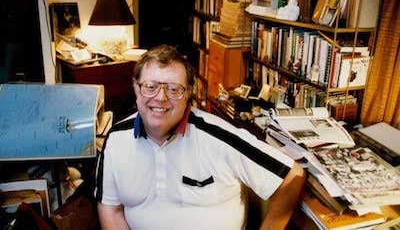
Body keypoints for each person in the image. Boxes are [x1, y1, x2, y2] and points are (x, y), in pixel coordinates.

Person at [94, 44, 305, 230]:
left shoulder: (219, 137)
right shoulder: (115, 140)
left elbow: (291, 176)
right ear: (136, 89)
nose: (161, 97)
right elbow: (110, 209)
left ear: (188, 95)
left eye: (174, 89)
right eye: (151, 87)